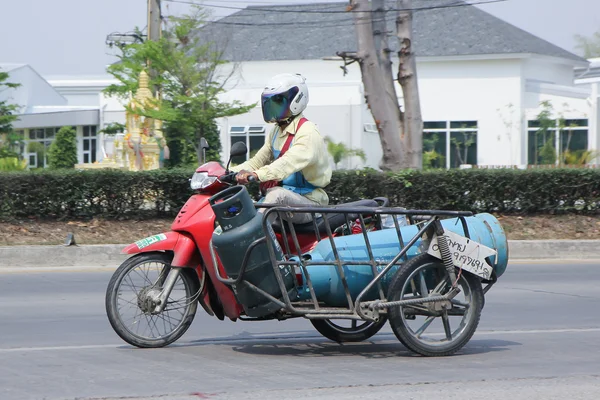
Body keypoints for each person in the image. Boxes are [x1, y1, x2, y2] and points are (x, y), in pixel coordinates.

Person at [232, 73, 332, 224]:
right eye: (270, 103)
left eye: (278, 102)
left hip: (310, 203)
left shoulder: (308, 132)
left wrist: (256, 174)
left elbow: (286, 164)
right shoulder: (275, 131)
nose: (273, 107)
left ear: (296, 101)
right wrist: (225, 173)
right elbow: (256, 162)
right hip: (288, 201)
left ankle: (255, 236)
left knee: (276, 194)